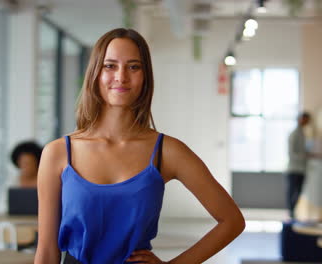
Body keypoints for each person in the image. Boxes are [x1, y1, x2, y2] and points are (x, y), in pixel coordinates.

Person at [34, 28, 245, 264]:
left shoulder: (167, 151)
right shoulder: (58, 153)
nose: (121, 77)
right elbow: (46, 251)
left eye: (133, 67)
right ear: (95, 73)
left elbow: (232, 220)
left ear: (145, 76)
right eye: (110, 66)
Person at [286, 112, 311, 219]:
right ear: (300, 119)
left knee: (299, 193)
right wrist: (305, 156)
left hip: (302, 169)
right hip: (294, 169)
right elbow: (292, 153)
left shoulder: (302, 134)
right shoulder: (294, 134)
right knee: (292, 192)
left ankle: (294, 212)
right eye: (305, 119)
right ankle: (291, 213)